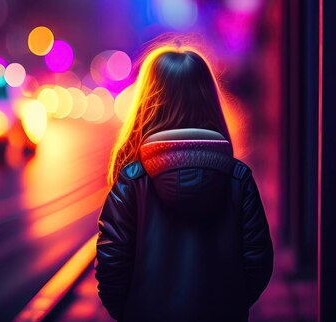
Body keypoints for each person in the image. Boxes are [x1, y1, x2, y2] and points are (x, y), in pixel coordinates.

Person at [95, 45, 273, 322]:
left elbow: (111, 267)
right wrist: (229, 305)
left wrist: (132, 313)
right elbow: (257, 263)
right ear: (208, 99)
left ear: (147, 102)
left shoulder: (132, 181)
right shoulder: (239, 179)